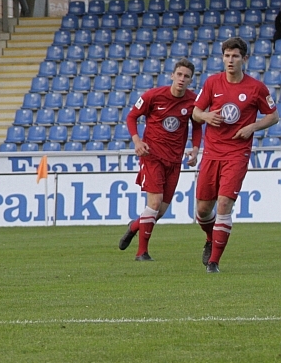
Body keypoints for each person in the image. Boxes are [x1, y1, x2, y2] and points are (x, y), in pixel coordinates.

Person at [191, 37, 278, 272]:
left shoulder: (256, 88)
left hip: (237, 153)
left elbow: (273, 116)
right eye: (227, 56)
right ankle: (210, 238)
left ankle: (213, 263)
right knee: (202, 210)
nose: (230, 60)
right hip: (212, 153)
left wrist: (252, 127)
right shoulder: (212, 83)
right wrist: (206, 116)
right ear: (223, 58)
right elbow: (196, 112)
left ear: (244, 59)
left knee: (224, 203)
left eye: (235, 56)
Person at [118, 59, 202, 261]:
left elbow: (198, 126)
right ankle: (142, 253)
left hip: (174, 161)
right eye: (179, 74)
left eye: (186, 76)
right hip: (152, 156)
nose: (182, 79)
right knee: (154, 203)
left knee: (160, 211)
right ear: (172, 75)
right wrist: (137, 141)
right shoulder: (153, 96)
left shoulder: (193, 101)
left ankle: (134, 226)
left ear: (191, 80)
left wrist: (195, 149)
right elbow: (131, 117)